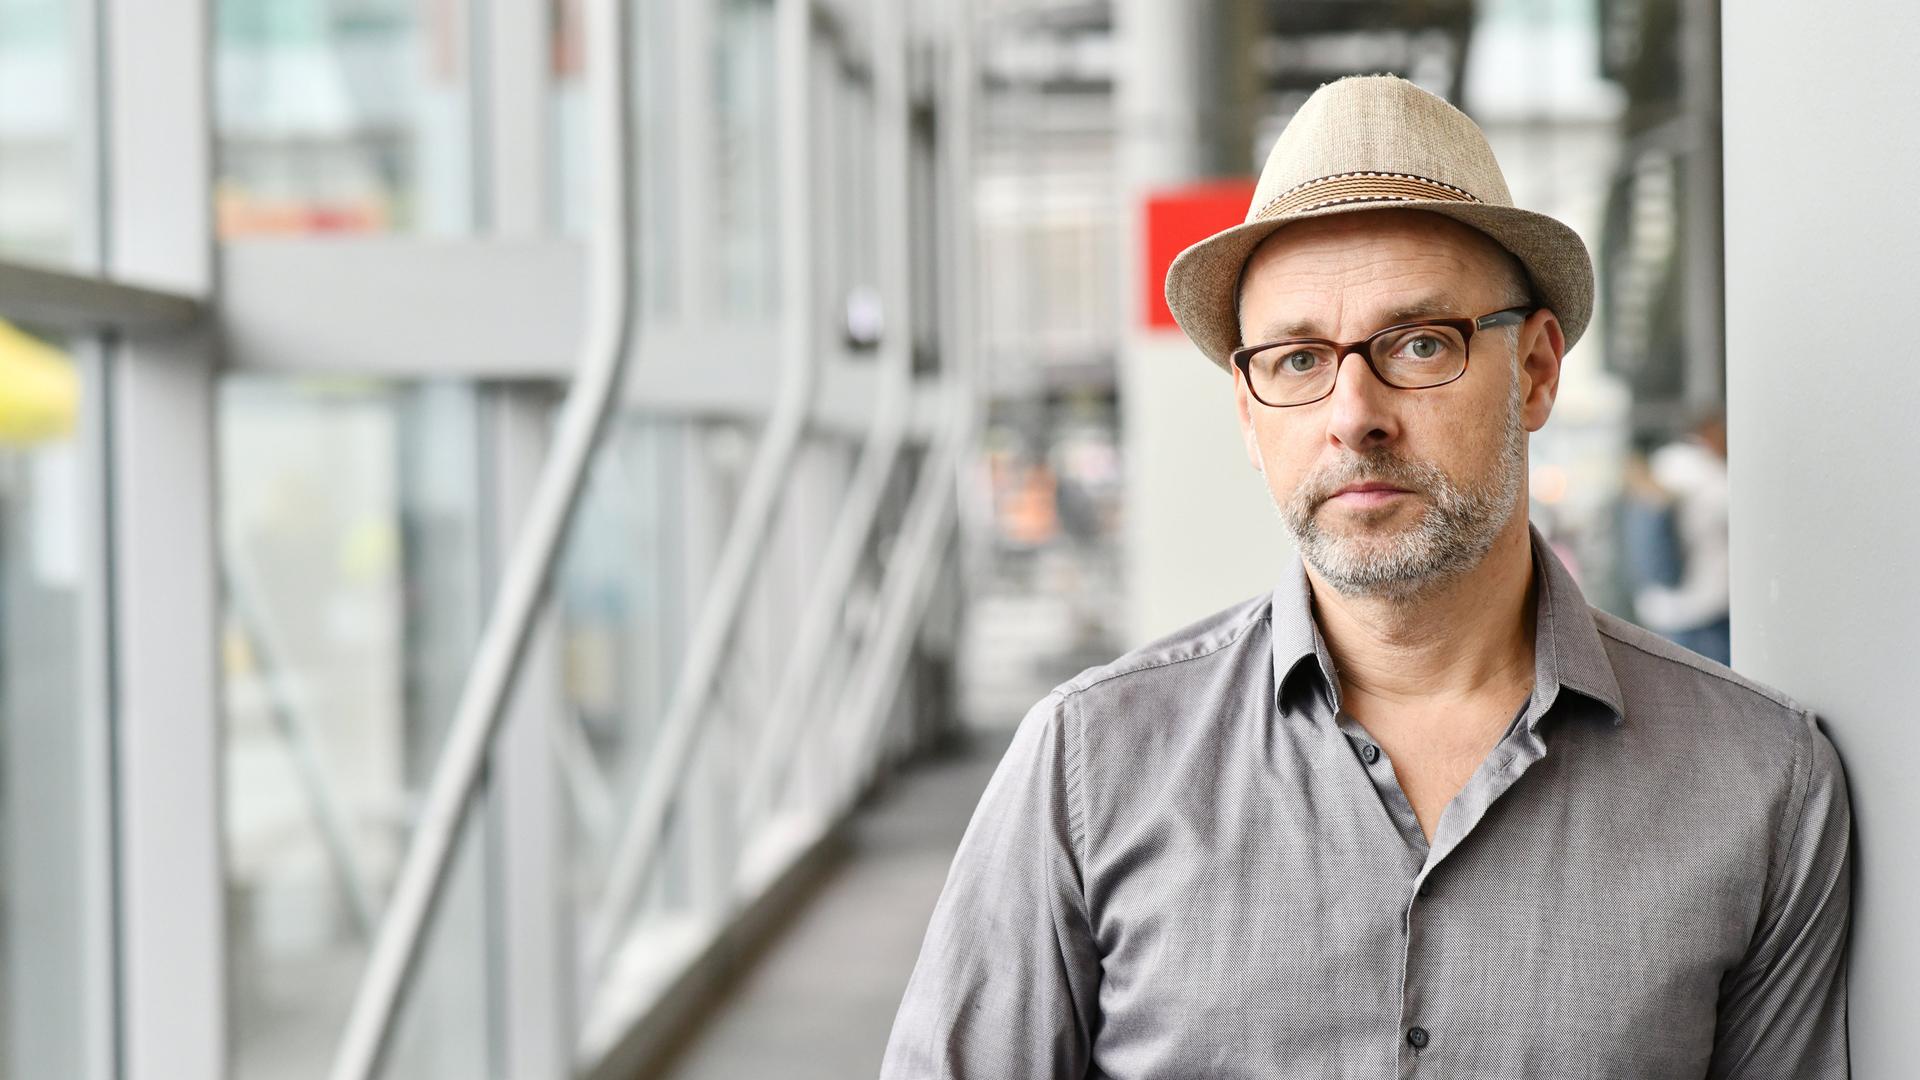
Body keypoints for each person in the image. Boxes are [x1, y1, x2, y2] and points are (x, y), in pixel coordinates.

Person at [878, 75, 1850, 1079]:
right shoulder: (1089, 767)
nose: (1354, 414)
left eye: (1420, 343)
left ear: (1537, 373)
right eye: (1297, 361)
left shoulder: (1762, 785)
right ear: (1251, 419)